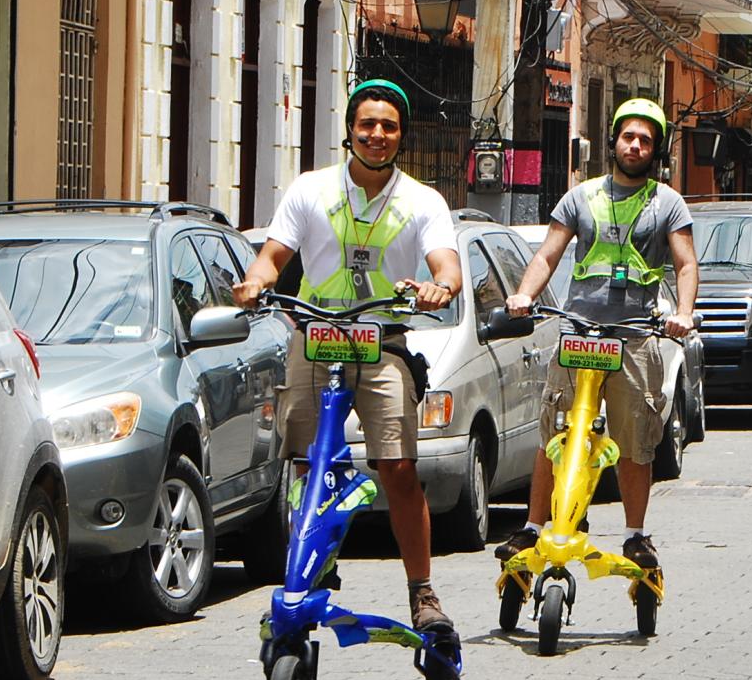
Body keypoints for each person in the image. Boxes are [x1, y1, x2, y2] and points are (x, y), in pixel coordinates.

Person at [234, 79, 462, 632]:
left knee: (398, 467)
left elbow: (447, 265)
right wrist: (255, 281)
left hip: (381, 343)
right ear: (350, 132)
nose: (377, 135)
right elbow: (273, 255)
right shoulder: (311, 189)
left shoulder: (422, 201)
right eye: (367, 125)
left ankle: (422, 591)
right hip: (316, 338)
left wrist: (439, 287)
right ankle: (311, 565)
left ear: (401, 135)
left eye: (389, 126)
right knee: (306, 462)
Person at [499, 98, 699, 577]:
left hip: (635, 335)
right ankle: (533, 525)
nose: (635, 146)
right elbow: (547, 255)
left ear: (656, 150)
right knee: (554, 433)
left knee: (635, 441)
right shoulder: (580, 197)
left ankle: (634, 534)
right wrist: (524, 295)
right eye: (628, 137)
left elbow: (685, 263)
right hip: (579, 331)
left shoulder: (668, 203)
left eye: (645, 140)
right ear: (613, 141)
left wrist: (683, 314)